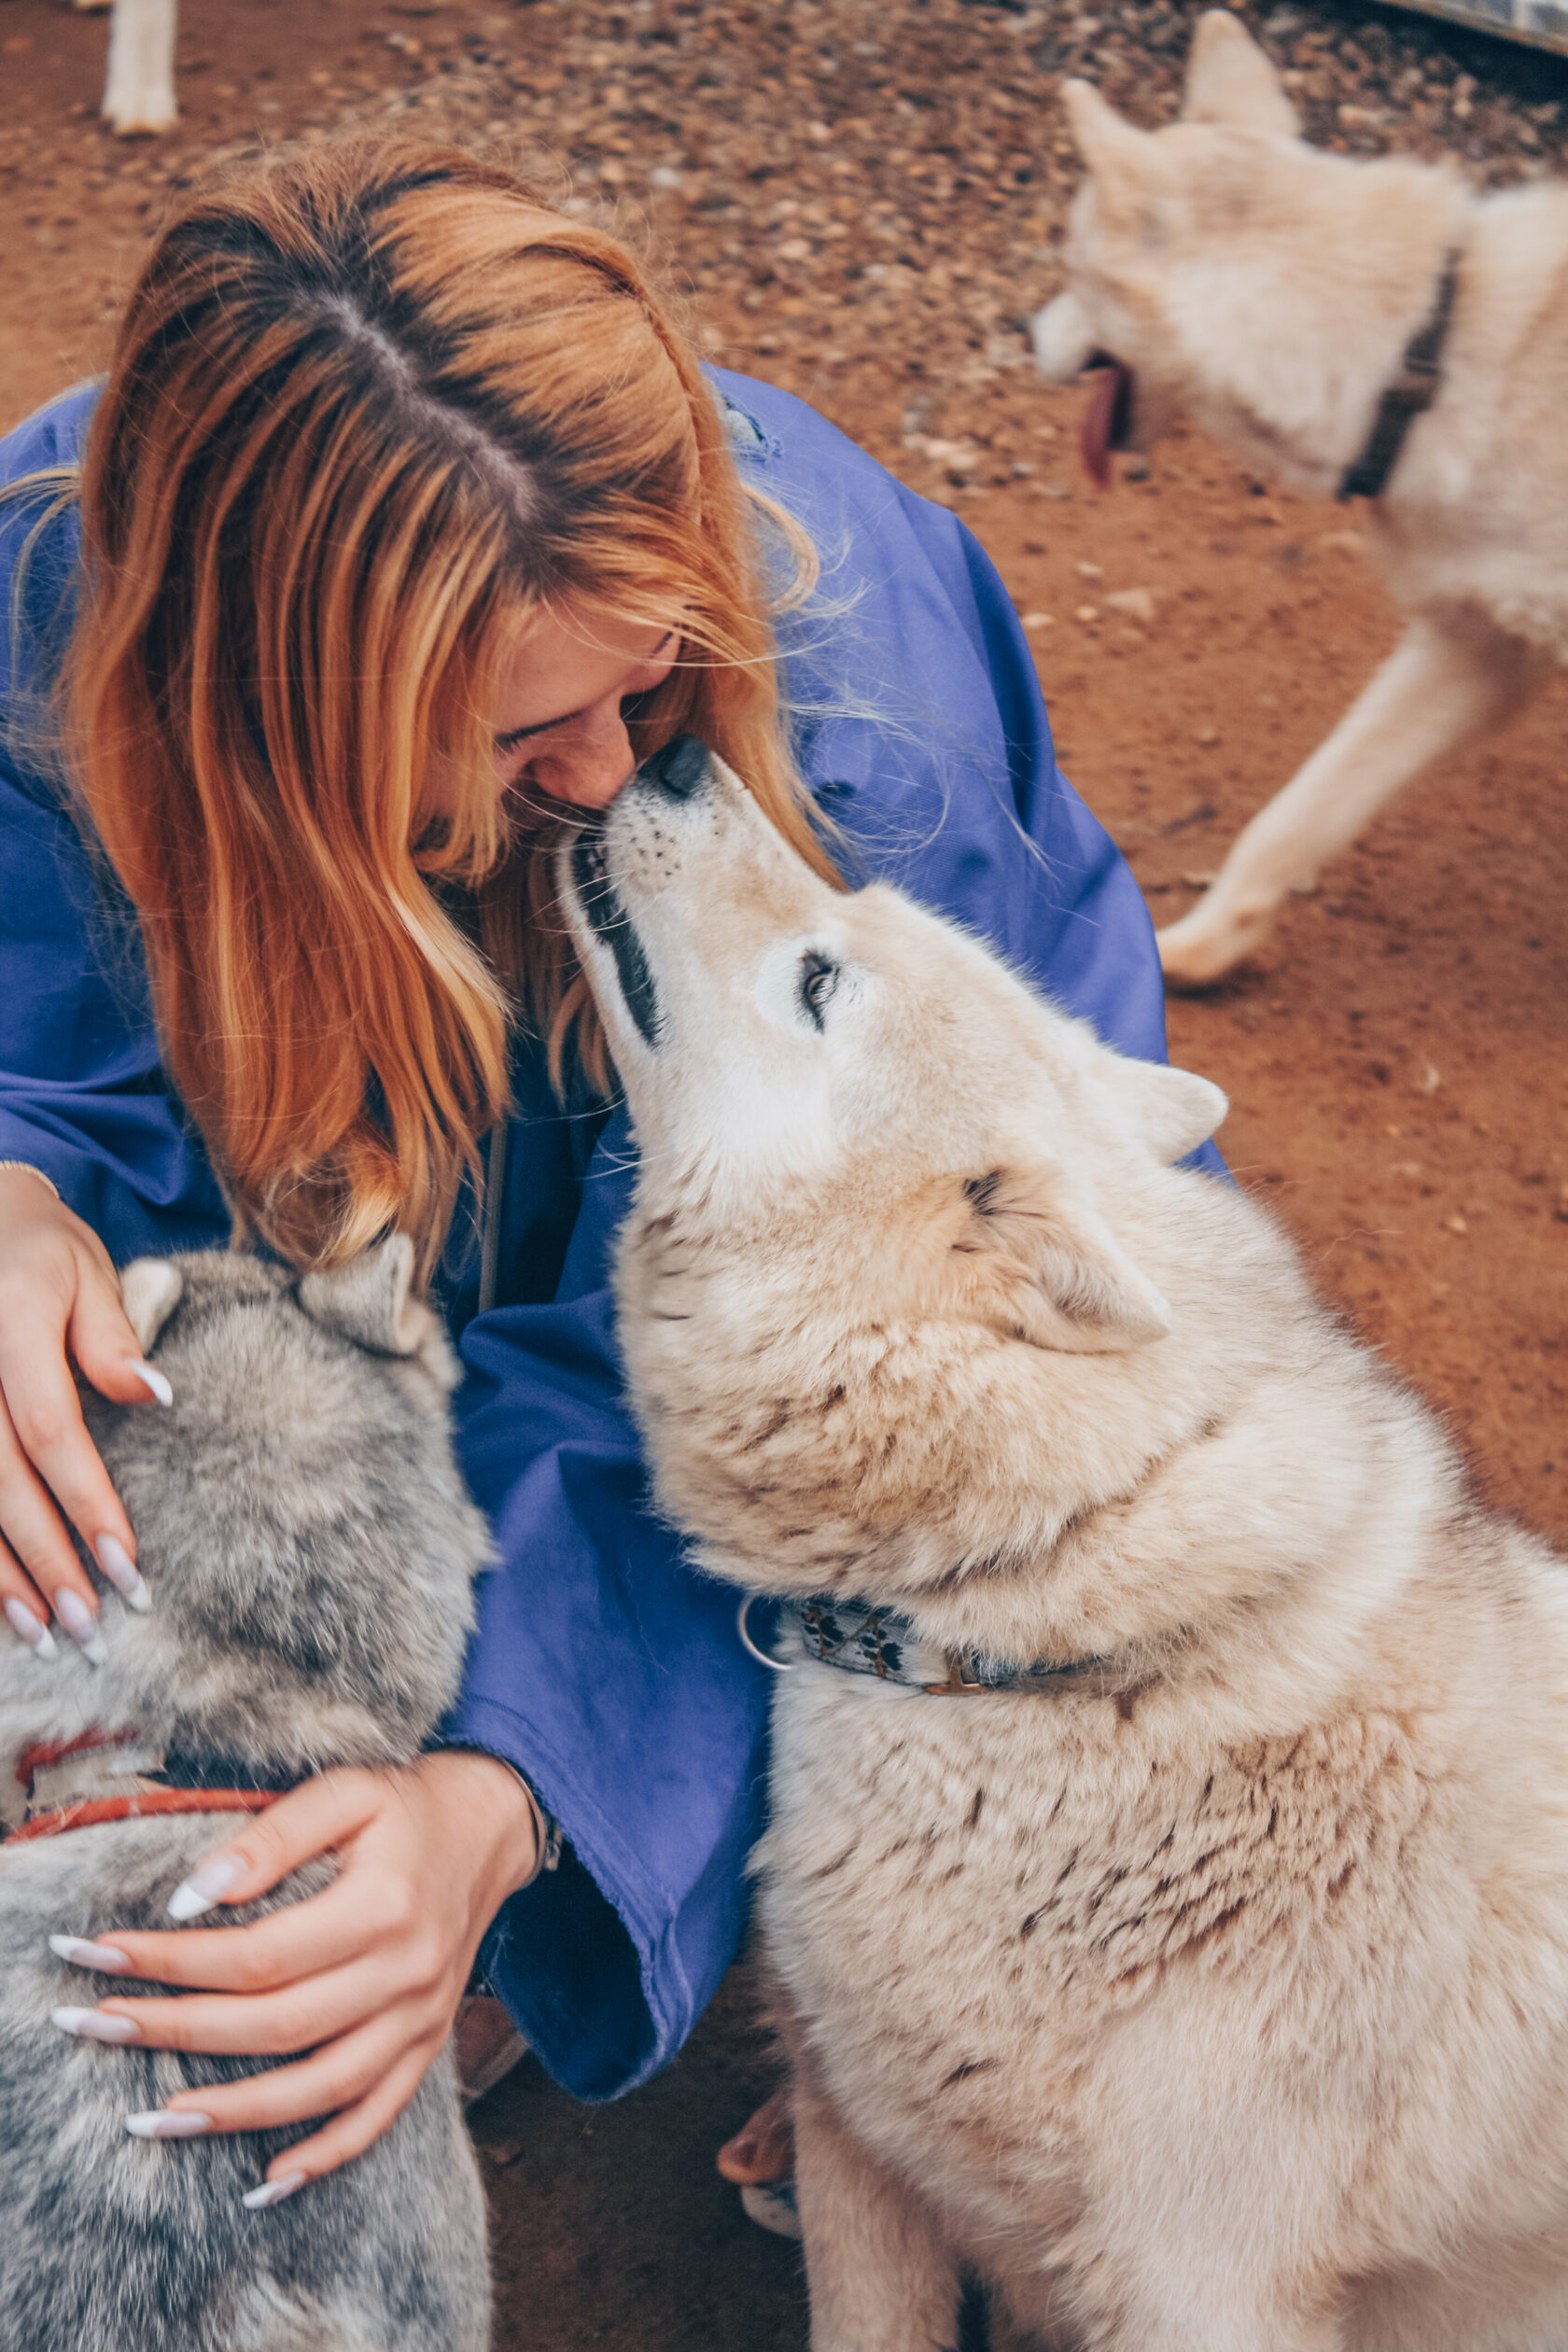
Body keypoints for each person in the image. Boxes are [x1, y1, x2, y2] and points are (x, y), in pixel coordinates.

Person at [0, 136, 1217, 2210]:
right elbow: (50, 946)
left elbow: (784, 1380)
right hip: (411, 1088)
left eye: (638, 674)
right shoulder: (68, 543)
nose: (595, 769)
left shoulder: (845, 768)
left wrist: (498, 1800)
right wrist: (15, 1182)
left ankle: (543, 1884)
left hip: (824, 1193)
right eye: (507, 734)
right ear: (230, 691)